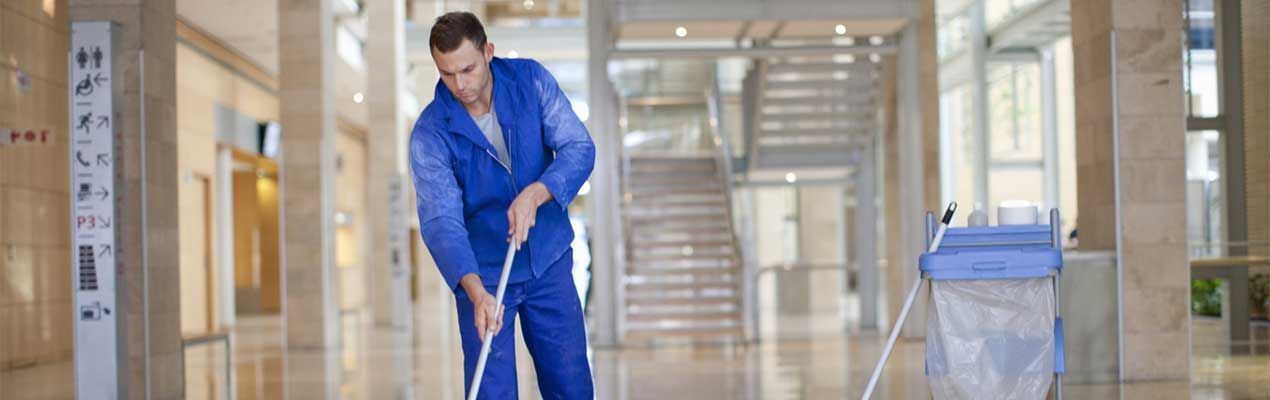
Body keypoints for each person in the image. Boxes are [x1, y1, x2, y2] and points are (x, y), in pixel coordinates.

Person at [409, 11, 596, 399]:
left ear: (488, 52)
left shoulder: (530, 82)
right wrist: (475, 291)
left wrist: (537, 192)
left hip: (548, 260)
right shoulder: (430, 133)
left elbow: (579, 148)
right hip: (485, 276)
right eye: (446, 74)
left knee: (570, 383)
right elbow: (441, 219)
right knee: (491, 391)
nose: (459, 85)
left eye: (467, 69)